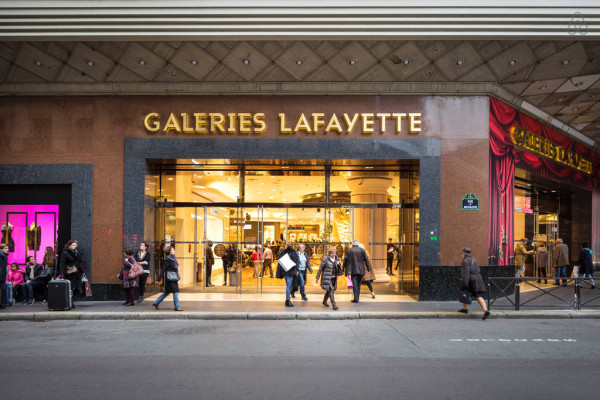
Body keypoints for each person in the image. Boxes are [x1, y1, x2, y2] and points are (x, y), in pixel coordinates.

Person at [458, 247, 490, 320]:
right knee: (477, 295)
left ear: (464, 254)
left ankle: (485, 310)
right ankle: (484, 310)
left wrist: (464, 283)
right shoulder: (473, 259)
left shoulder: (465, 261)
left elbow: (466, 274)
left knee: (465, 291)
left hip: (471, 279)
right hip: (477, 278)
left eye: (462, 254)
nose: (461, 255)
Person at [153, 246, 183, 311]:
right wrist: (159, 279)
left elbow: (176, 266)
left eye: (174, 250)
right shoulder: (168, 259)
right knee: (176, 291)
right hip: (169, 278)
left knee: (167, 292)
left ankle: (156, 302)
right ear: (169, 252)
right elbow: (163, 269)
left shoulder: (173, 258)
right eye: (172, 250)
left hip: (174, 277)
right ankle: (177, 307)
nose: (174, 251)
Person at [343, 239, 372, 303]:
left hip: (353, 270)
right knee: (358, 284)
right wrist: (368, 268)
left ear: (353, 244)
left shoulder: (349, 250)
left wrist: (343, 268)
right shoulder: (362, 250)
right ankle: (357, 298)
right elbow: (366, 259)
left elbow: (345, 260)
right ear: (358, 244)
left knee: (355, 284)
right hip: (361, 270)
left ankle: (356, 299)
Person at [59, 240, 85, 308]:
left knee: (78, 287)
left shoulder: (78, 252)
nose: (75, 246)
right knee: (70, 287)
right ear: (69, 246)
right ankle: (70, 302)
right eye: (73, 245)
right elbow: (62, 263)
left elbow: (80, 260)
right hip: (69, 273)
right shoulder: (65, 253)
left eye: (75, 245)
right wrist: (61, 273)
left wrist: (81, 267)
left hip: (77, 272)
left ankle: (71, 300)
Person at [275, 243, 299, 307]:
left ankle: (288, 298)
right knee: (289, 286)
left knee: (288, 286)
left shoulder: (283, 252)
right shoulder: (294, 253)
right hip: (291, 272)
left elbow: (280, 261)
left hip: (285, 271)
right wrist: (297, 270)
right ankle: (287, 301)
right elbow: (296, 262)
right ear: (292, 246)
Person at [0, 243, 8, 309]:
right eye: (5, 248)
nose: (7, 249)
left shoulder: (4, 255)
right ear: (1, 249)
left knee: (2, 289)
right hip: (1, 275)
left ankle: (2, 303)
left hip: (2, 275)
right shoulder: (2, 256)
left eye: (7, 248)